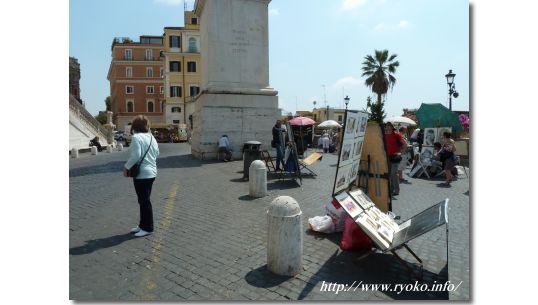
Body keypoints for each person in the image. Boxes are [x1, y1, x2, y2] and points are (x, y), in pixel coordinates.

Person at [123, 115, 160, 237]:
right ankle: (142, 225)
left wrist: (126, 167)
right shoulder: (152, 137)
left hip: (142, 174)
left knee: (144, 201)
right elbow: (157, 153)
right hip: (152, 172)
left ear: (135, 127)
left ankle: (148, 228)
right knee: (144, 201)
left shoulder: (136, 137)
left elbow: (136, 156)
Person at [384, 122, 407, 196]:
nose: (387, 127)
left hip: (395, 157)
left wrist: (401, 153)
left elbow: (405, 144)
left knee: (394, 173)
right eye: (386, 126)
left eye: (389, 126)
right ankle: (391, 188)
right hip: (387, 157)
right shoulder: (384, 135)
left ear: (392, 127)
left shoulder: (397, 134)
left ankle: (396, 190)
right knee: (390, 173)